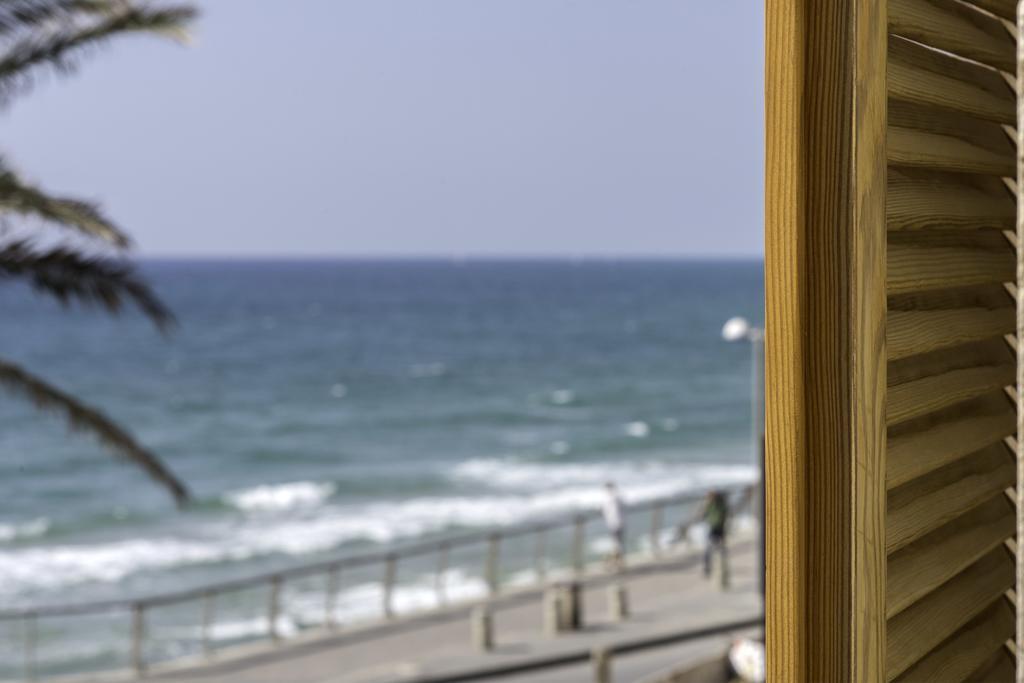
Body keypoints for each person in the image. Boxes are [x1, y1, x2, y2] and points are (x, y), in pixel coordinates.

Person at [702, 489, 730, 587]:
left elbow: (720, 518)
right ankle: (708, 569)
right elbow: (704, 515)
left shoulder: (720, 505)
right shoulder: (711, 505)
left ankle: (724, 577)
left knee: (721, 553)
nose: (709, 498)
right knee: (708, 551)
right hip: (713, 530)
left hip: (718, 530)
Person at [602, 482, 625, 568]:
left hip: (613, 523)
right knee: (618, 544)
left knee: (617, 544)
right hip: (617, 523)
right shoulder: (616, 497)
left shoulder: (608, 498)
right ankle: (617, 562)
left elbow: (606, 512)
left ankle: (617, 562)